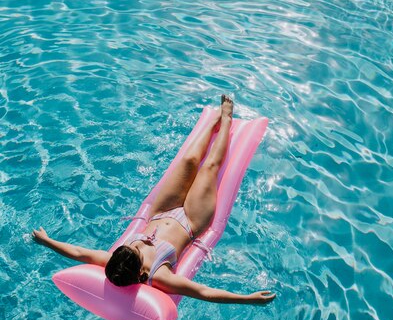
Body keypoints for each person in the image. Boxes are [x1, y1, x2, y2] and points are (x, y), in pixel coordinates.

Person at [33, 96, 275, 305]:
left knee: (189, 160)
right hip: (191, 221)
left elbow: (78, 252)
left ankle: (210, 121)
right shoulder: (159, 276)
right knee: (209, 167)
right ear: (141, 270)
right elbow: (203, 292)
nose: (136, 246)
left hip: (161, 211)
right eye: (136, 251)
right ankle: (225, 119)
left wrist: (47, 241)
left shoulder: (117, 258)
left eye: (129, 246)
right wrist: (248, 299)